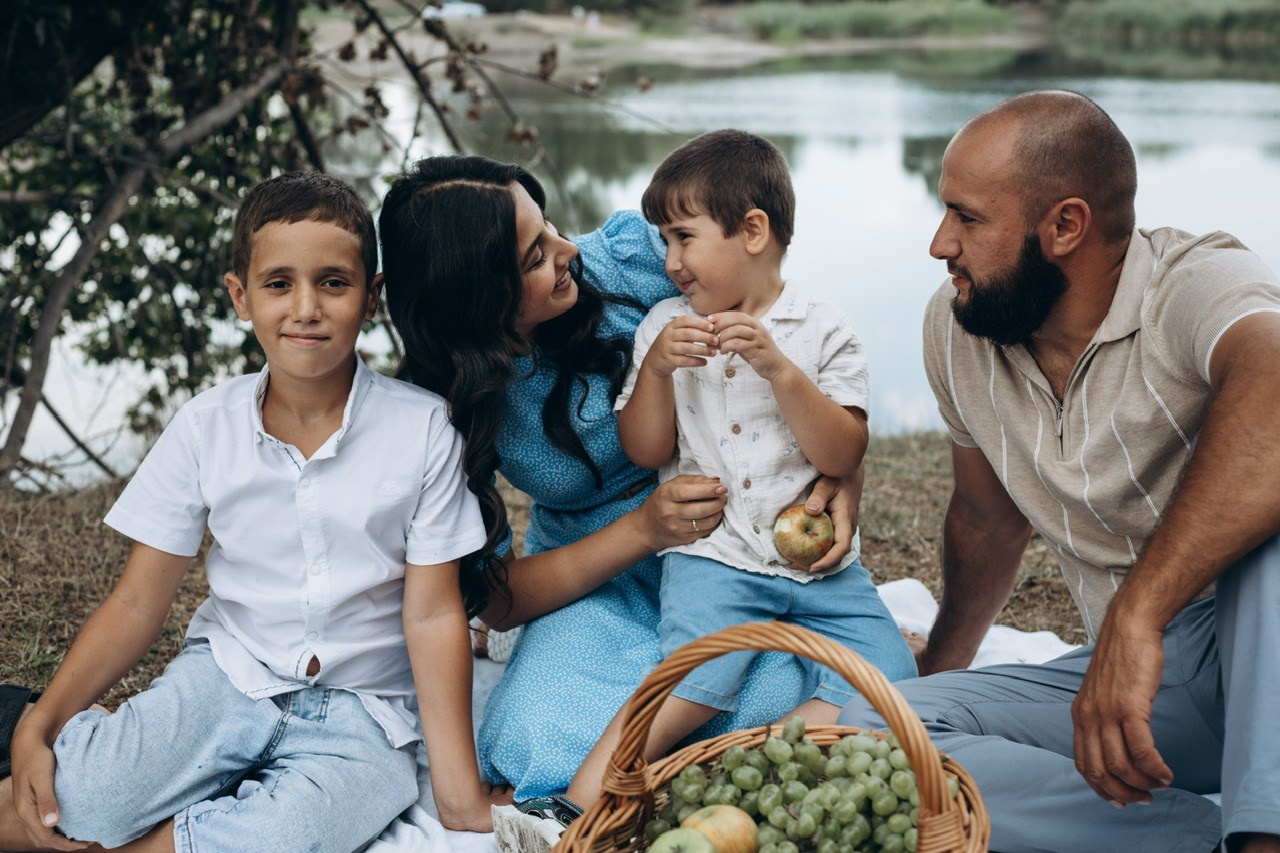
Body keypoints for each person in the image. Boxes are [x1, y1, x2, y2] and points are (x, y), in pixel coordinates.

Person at [0, 172, 505, 853]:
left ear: (372, 297)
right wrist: (39, 724)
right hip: (228, 674)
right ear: (240, 296)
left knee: (302, 829)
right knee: (85, 798)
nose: (306, 307)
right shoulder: (206, 426)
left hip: (365, 713)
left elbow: (435, 612)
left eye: (333, 282)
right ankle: (52, 738)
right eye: (278, 284)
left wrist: (459, 793)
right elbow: (136, 604)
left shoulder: (422, 430)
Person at [837, 90, 1280, 853]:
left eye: (967, 218)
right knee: (872, 731)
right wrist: (936, 673)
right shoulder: (960, 325)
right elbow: (985, 519)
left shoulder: (1193, 281)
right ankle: (1197, 840)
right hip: (1154, 694)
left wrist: (1139, 612)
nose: (941, 243)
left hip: (1259, 638)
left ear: (1066, 225)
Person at [376, 154, 863, 848]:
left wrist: (845, 476)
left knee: (768, 702)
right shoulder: (446, 408)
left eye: (550, 228)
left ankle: (651, 785)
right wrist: (641, 529)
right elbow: (495, 595)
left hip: (735, 558)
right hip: (598, 582)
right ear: (476, 297)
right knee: (533, 737)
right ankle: (629, 793)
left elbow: (799, 340)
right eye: (536, 255)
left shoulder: (638, 259)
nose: (568, 252)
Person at [554, 129, 914, 818]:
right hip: (714, 558)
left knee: (893, 678)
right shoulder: (664, 323)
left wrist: (780, 368)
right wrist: (657, 368)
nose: (671, 261)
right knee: (691, 678)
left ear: (753, 230)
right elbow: (644, 447)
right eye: (663, 241)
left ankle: (747, 772)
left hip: (823, 568)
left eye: (684, 238)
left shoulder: (824, 327)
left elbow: (842, 453)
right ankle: (577, 804)